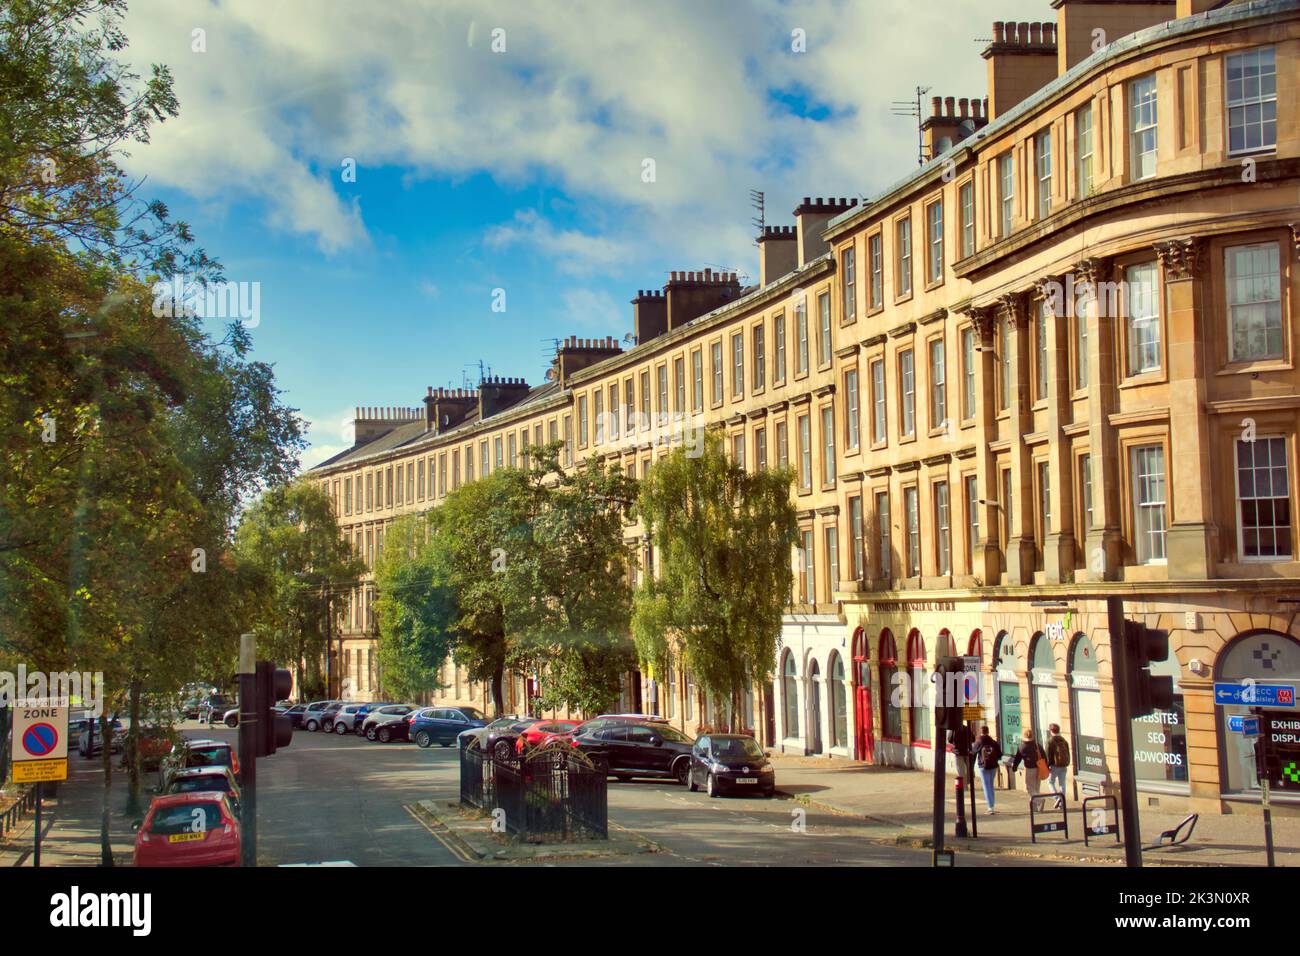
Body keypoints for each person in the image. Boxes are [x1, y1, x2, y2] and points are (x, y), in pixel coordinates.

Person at [973, 725, 1002, 814]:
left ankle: (990, 807)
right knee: (991, 785)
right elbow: (1000, 754)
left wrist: (971, 767)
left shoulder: (978, 742)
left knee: (986, 786)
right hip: (993, 766)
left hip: (983, 766)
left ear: (981, 732)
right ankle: (992, 805)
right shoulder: (993, 742)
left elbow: (973, 752)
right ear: (988, 732)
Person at [1012, 728, 1045, 795]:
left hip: (1030, 769)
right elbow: (1044, 756)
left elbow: (1017, 758)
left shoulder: (1022, 747)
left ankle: (1039, 800)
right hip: (1039, 768)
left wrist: (1014, 767)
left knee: (1029, 787)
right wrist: (1046, 766)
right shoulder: (1037, 745)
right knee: (1036, 788)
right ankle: (1036, 805)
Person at [1045, 723, 1070, 794]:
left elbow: (1048, 756)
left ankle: (1057, 799)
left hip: (1054, 766)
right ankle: (1062, 802)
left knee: (1050, 782)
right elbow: (1068, 753)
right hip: (1064, 765)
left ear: (1051, 731)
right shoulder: (1064, 740)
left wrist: (1047, 767)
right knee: (1062, 784)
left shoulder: (1050, 741)